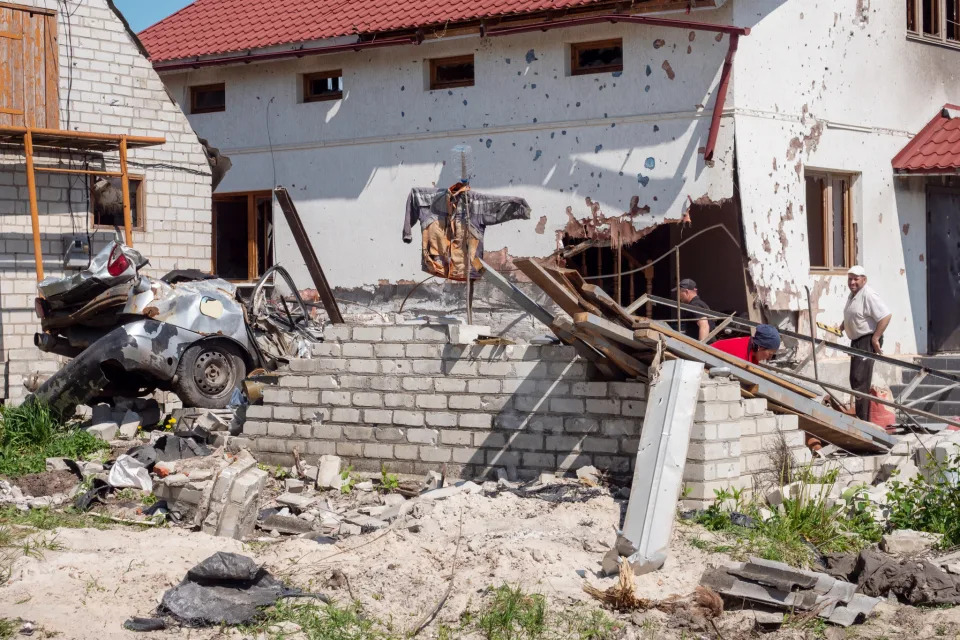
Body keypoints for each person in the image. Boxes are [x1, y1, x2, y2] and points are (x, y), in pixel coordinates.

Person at [837, 265, 892, 421]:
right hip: (856, 341)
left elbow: (886, 316)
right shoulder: (854, 294)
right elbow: (855, 314)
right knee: (855, 379)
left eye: (856, 279)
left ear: (864, 279)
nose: (852, 282)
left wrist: (875, 338)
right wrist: (842, 326)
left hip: (866, 340)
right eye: (850, 279)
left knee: (860, 381)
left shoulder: (868, 294)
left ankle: (863, 421)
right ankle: (861, 418)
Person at [712, 324, 781, 364]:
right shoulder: (741, 356)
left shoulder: (752, 350)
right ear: (761, 347)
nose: (769, 358)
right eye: (770, 354)